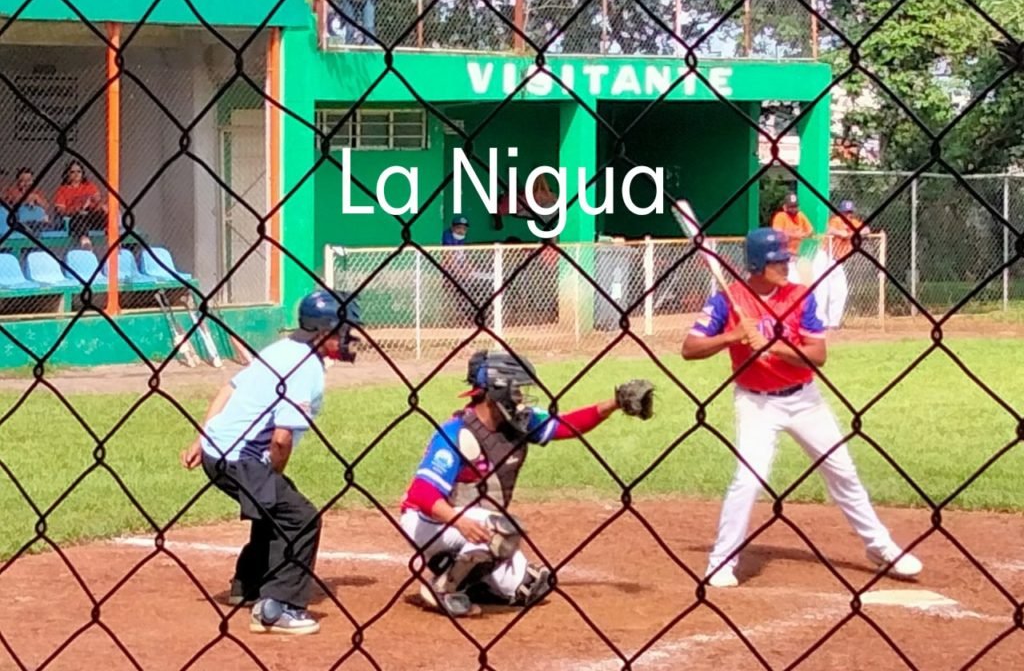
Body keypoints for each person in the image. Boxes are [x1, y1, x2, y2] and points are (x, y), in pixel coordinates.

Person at [681, 228, 922, 588]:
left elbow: (817, 355)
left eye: (785, 260)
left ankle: (880, 546)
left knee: (842, 471)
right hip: (756, 403)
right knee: (748, 479)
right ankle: (720, 562)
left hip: (804, 400)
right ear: (757, 265)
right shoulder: (727, 301)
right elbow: (689, 349)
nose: (786, 266)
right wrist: (732, 337)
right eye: (778, 261)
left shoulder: (800, 297)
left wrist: (772, 346)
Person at [399, 350, 654, 617]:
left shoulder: (519, 423)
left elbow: (567, 425)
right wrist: (460, 522)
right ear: (496, 391)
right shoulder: (455, 433)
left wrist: (614, 403)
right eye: (516, 389)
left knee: (530, 587)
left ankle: (469, 579)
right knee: (502, 529)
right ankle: (443, 588)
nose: (521, 397)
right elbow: (421, 493)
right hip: (429, 522)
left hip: (473, 522)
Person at [180, 289, 363, 635]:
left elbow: (229, 389)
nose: (349, 337)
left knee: (274, 504)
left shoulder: (282, 348)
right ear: (323, 330)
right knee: (301, 519)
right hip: (241, 458)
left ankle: (247, 584)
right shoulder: (306, 367)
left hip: (219, 452)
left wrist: (202, 438)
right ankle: (278, 608)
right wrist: (271, 472)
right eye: (343, 329)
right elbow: (281, 438)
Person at [815, 200, 869, 330]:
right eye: (845, 212)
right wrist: (841, 233)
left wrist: (853, 233)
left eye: (850, 212)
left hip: (837, 261)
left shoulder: (853, 223)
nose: (848, 215)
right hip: (824, 257)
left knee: (840, 290)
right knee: (822, 290)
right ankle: (821, 322)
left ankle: (834, 323)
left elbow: (866, 230)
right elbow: (829, 229)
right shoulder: (836, 220)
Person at [54, 160, 106, 245]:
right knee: (79, 218)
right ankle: (85, 242)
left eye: (79, 171)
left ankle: (117, 237)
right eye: (72, 172)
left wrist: (94, 204)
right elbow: (60, 211)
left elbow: (99, 201)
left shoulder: (89, 186)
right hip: (75, 218)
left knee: (105, 210)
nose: (76, 174)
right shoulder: (62, 190)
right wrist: (76, 209)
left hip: (91, 217)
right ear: (67, 174)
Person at [770, 193, 813, 284]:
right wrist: (795, 235)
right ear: (785, 207)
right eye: (791, 207)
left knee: (798, 282)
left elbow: (810, 230)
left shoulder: (800, 216)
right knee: (791, 282)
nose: (794, 209)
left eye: (795, 206)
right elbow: (777, 233)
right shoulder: (781, 216)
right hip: (781, 257)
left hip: (794, 256)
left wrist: (803, 235)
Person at [3, 166, 50, 232]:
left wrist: (37, 198)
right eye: (23, 181)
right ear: (18, 182)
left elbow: (46, 206)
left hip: (38, 222)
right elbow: (12, 201)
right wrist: (28, 198)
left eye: (28, 180)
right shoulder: (13, 191)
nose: (25, 183)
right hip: (21, 222)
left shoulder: (36, 192)